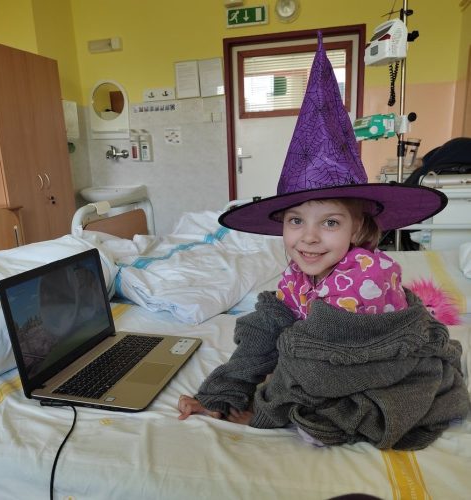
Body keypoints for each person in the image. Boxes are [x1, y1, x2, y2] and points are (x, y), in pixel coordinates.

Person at [178, 33, 469, 450]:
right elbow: (266, 331)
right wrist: (220, 394)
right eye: (296, 220)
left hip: (387, 361)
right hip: (328, 348)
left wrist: (263, 411)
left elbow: (314, 362)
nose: (309, 237)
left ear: (358, 228)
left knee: (325, 396)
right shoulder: (299, 272)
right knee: (268, 329)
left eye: (330, 222)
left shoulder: (364, 276)